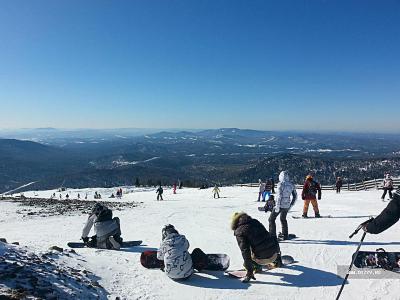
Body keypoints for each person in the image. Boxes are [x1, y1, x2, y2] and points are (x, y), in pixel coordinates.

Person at [231, 212, 282, 282]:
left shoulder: (239, 231)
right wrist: (277, 253)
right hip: (274, 254)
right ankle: (277, 260)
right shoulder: (255, 221)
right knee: (265, 239)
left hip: (261, 260)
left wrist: (249, 270)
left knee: (247, 251)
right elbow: (269, 236)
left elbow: (245, 251)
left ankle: (256, 266)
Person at [269, 171, 297, 240]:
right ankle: (285, 235)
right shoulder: (291, 185)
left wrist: (277, 206)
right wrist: (291, 205)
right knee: (283, 219)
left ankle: (272, 236)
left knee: (271, 219)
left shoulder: (280, 184)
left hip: (280, 205)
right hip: (287, 205)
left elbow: (279, 196)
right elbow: (295, 196)